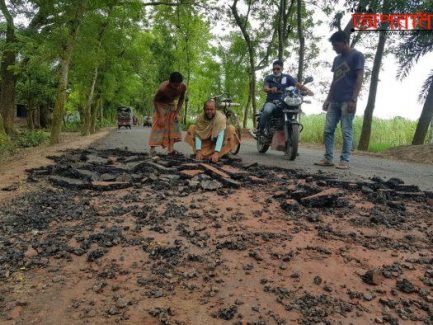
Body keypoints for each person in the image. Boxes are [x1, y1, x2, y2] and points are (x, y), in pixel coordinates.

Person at [315, 31, 364, 169]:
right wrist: (327, 99)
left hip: (347, 100)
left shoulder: (357, 56)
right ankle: (328, 158)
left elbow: (359, 78)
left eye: (335, 45)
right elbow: (334, 80)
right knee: (328, 130)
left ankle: (345, 161)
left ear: (344, 42)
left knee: (346, 130)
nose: (333, 48)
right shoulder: (337, 59)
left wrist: (353, 99)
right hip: (334, 100)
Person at [257, 59, 314, 134]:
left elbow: (298, 85)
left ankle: (287, 130)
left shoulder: (287, 77)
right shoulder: (269, 78)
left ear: (282, 69)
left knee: (293, 109)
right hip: (271, 102)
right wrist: (270, 89)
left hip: (284, 102)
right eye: (274, 69)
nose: (275, 71)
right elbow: (265, 88)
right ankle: (260, 130)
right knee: (267, 111)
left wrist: (308, 91)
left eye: (278, 69)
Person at [148, 72, 187, 156]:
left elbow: (181, 98)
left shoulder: (183, 87)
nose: (177, 88)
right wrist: (161, 116)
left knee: (173, 125)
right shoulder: (163, 88)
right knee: (158, 125)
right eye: (175, 85)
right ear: (170, 83)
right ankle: (152, 149)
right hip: (160, 104)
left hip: (171, 105)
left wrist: (177, 112)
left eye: (178, 85)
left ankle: (171, 149)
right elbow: (155, 101)